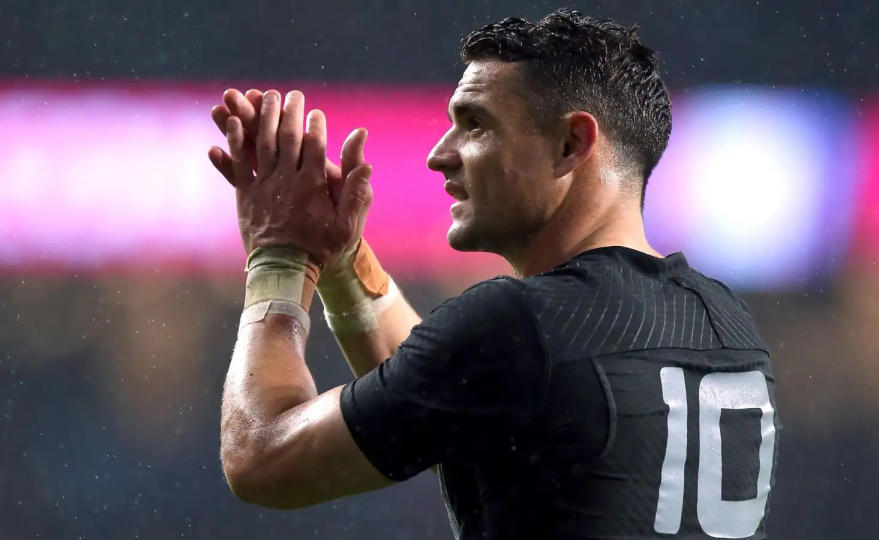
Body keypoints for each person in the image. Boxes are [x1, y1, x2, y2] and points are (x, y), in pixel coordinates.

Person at [208, 9, 780, 540]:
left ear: (571, 144)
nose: (439, 153)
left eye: (474, 124)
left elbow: (260, 457)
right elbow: (453, 394)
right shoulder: (727, 324)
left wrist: (278, 257)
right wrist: (343, 259)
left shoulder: (516, 325)